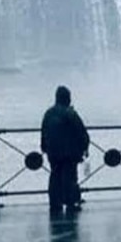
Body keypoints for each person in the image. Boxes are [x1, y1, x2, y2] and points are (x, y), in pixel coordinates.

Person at [41, 85, 90, 214]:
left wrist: (44, 147)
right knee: (70, 177)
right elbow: (81, 132)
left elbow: (43, 131)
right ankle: (70, 202)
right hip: (69, 153)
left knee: (55, 176)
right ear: (67, 99)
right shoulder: (71, 113)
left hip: (53, 153)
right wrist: (85, 147)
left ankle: (55, 203)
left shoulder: (48, 113)